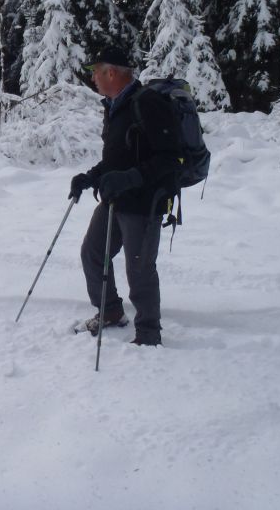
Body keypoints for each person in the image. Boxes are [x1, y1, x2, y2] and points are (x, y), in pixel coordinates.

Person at [69, 47, 182, 346]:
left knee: (139, 268)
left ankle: (148, 333)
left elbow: (171, 158)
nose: (92, 77)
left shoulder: (148, 103)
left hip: (144, 202)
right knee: (93, 253)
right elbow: (118, 157)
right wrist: (91, 177)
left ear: (111, 72)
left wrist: (129, 178)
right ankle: (110, 312)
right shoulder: (115, 105)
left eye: (95, 71)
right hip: (115, 198)